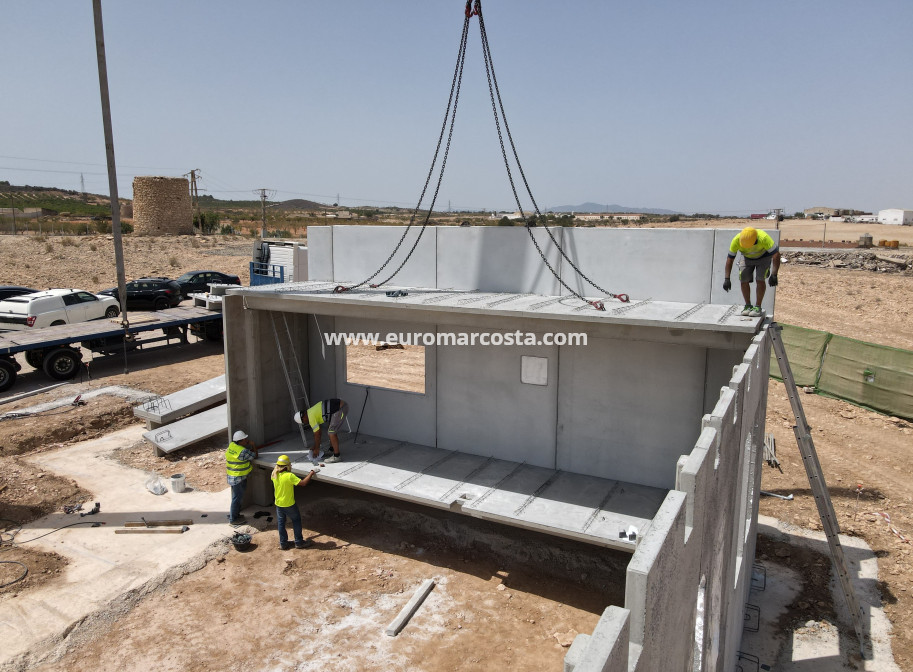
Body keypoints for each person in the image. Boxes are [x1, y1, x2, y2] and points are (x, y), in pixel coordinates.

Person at [723, 226, 781, 316]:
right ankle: (748, 305)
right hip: (746, 258)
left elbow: (776, 255)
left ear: (755, 240)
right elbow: (730, 259)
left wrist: (774, 274)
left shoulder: (763, 237)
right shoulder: (736, 240)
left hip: (764, 257)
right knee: (743, 278)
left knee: (760, 279)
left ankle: (758, 307)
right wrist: (727, 278)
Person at [271, 454, 316, 550]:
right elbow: (303, 483)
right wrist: (311, 473)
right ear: (287, 466)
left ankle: (283, 543)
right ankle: (299, 542)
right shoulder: (289, 476)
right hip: (289, 504)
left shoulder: (274, 474)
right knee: (296, 520)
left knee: (281, 523)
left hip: (278, 504)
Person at [294, 398, 349, 464]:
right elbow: (317, 432)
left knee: (331, 432)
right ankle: (332, 449)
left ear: (303, 417)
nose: (305, 423)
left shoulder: (311, 418)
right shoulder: (310, 412)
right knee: (330, 429)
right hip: (340, 407)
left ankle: (337, 456)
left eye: (304, 422)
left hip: (341, 409)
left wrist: (317, 449)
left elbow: (317, 434)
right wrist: (315, 446)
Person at [226, 429, 260, 527]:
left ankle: (235, 515)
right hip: (238, 478)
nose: (247, 440)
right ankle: (233, 519)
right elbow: (255, 456)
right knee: (237, 499)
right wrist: (253, 445)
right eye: (245, 439)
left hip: (232, 476)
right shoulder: (243, 451)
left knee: (236, 498)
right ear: (240, 441)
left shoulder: (232, 446)